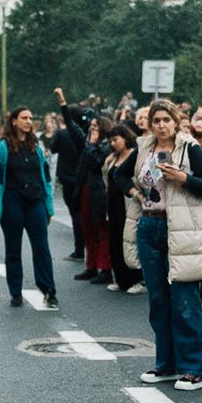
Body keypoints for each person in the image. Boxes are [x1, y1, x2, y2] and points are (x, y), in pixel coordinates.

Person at [131, 100, 202, 389]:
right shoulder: (144, 147)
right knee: (158, 301)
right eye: (156, 120)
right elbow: (122, 176)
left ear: (176, 121)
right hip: (149, 224)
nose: (161, 125)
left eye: (166, 119)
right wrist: (136, 194)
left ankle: (194, 369)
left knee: (184, 300)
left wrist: (183, 177)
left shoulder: (189, 147)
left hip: (180, 228)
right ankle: (166, 364)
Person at [0, 105, 57, 308]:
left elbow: (46, 177)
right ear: (14, 121)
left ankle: (48, 289)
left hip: (36, 201)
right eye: (24, 117)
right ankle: (15, 292)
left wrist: (48, 206)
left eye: (30, 118)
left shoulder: (37, 145)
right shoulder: (2, 147)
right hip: (12, 201)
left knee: (42, 247)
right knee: (13, 248)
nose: (28, 121)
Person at [101, 124, 143, 294]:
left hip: (128, 204)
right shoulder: (112, 158)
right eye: (110, 141)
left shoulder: (135, 156)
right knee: (115, 242)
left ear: (125, 138)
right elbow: (106, 180)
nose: (113, 143)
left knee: (130, 242)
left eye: (115, 140)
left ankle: (136, 280)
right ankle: (120, 279)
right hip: (112, 205)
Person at [51, 88, 89, 266]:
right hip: (82, 178)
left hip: (68, 177)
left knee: (75, 214)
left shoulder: (63, 134)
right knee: (82, 213)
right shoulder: (88, 134)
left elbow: (53, 149)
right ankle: (83, 248)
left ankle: (79, 249)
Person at [77, 117, 112, 284]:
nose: (92, 130)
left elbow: (96, 164)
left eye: (96, 126)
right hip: (88, 189)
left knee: (102, 230)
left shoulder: (107, 145)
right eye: (91, 127)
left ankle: (105, 268)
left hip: (100, 192)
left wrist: (92, 144)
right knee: (88, 229)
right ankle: (91, 265)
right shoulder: (89, 143)